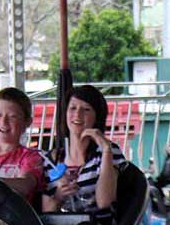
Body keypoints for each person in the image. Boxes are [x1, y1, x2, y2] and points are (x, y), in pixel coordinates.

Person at [42, 85, 127, 213]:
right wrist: (59, 196)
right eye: (73, 108)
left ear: (97, 117)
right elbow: (46, 212)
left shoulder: (107, 152)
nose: (77, 114)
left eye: (86, 109)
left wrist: (106, 150)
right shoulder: (51, 160)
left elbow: (105, 202)